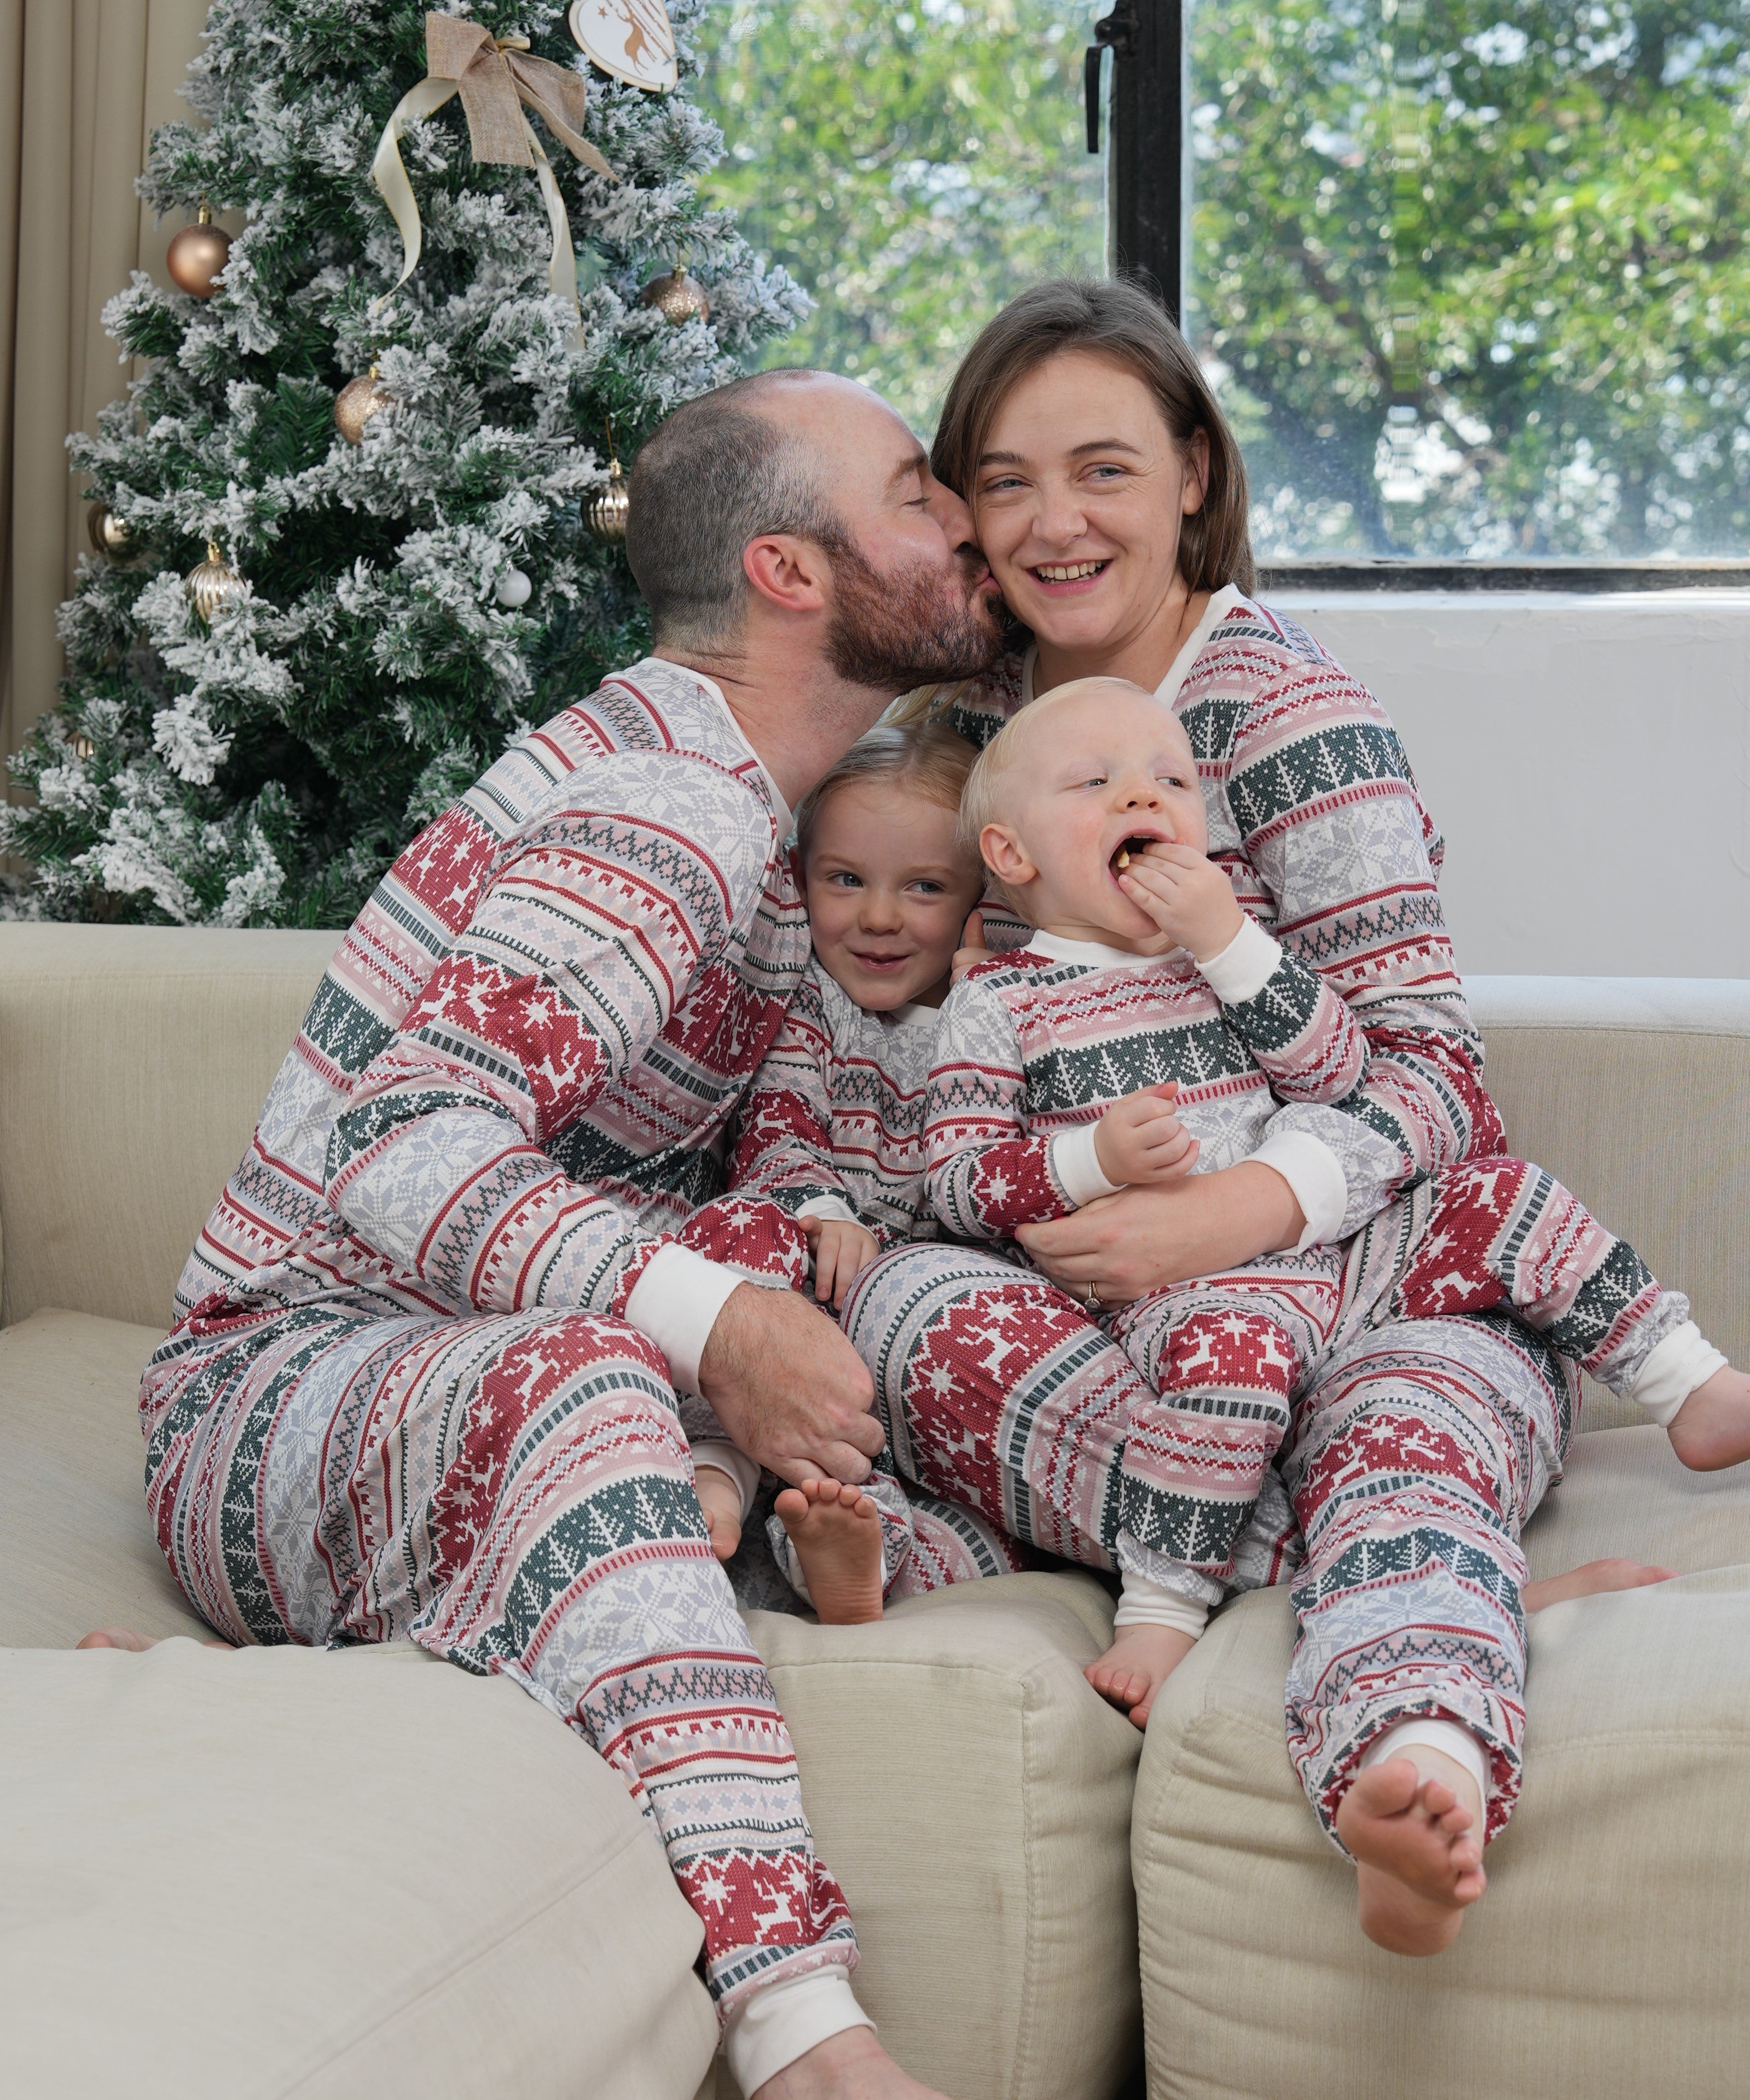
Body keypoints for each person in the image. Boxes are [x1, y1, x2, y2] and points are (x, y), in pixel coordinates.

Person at [85, 368, 1005, 2100]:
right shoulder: (675, 801)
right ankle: (804, 2029)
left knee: (923, 1425)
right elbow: (395, 1145)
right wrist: (719, 1326)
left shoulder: (780, 814)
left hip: (444, 1386)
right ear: (790, 573)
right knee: (611, 1370)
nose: (960, 516)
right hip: (274, 1388)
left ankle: (401, 1644)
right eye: (911, 493)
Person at [842, 276, 1701, 1958]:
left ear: (1188, 478)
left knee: (1407, 1413)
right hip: (1127, 1329)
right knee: (900, 1305)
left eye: (1099, 467)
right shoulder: (972, 739)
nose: (1050, 519)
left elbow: (1435, 1079)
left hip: (1364, 1280)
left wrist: (1230, 1217)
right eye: (1001, 479)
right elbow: (942, 1079)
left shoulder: (1289, 716)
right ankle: (1411, 1555)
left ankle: (1410, 1727)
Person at [930, 674, 1747, 1742]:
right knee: (1236, 1360)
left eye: (1170, 779)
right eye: (1097, 781)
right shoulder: (1002, 1001)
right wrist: (1088, 1159)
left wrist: (1232, 943)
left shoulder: (1219, 962)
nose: (1143, 795)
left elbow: (1342, 1071)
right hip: (1185, 1306)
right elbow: (960, 1180)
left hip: (1340, 1262)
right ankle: (1168, 1607)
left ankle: (1688, 1385)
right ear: (1012, 855)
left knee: (1500, 1196)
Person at [692, 719, 1026, 1622]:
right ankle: (717, 1467)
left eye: (923, 887)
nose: (879, 918)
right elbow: (779, 1119)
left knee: (992, 1530)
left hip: (917, 1346)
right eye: (846, 880)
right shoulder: (811, 1002)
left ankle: (860, 1556)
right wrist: (818, 1203)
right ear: (802, 880)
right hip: (807, 1303)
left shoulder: (1002, 1015)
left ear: (979, 898)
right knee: (735, 1236)